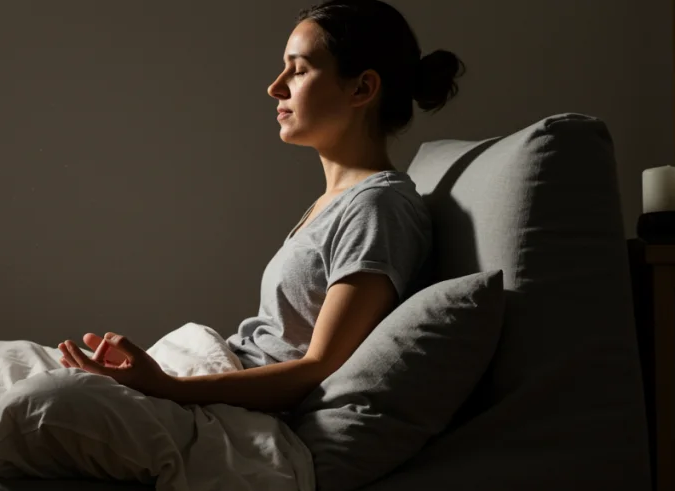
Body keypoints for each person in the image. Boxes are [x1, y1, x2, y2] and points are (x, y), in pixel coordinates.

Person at [57, 0, 464, 414]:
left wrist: (165, 388)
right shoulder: (337, 202)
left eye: (300, 69)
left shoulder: (379, 206)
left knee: (48, 403)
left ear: (361, 88)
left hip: (235, 405)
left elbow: (318, 368)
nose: (276, 86)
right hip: (221, 368)